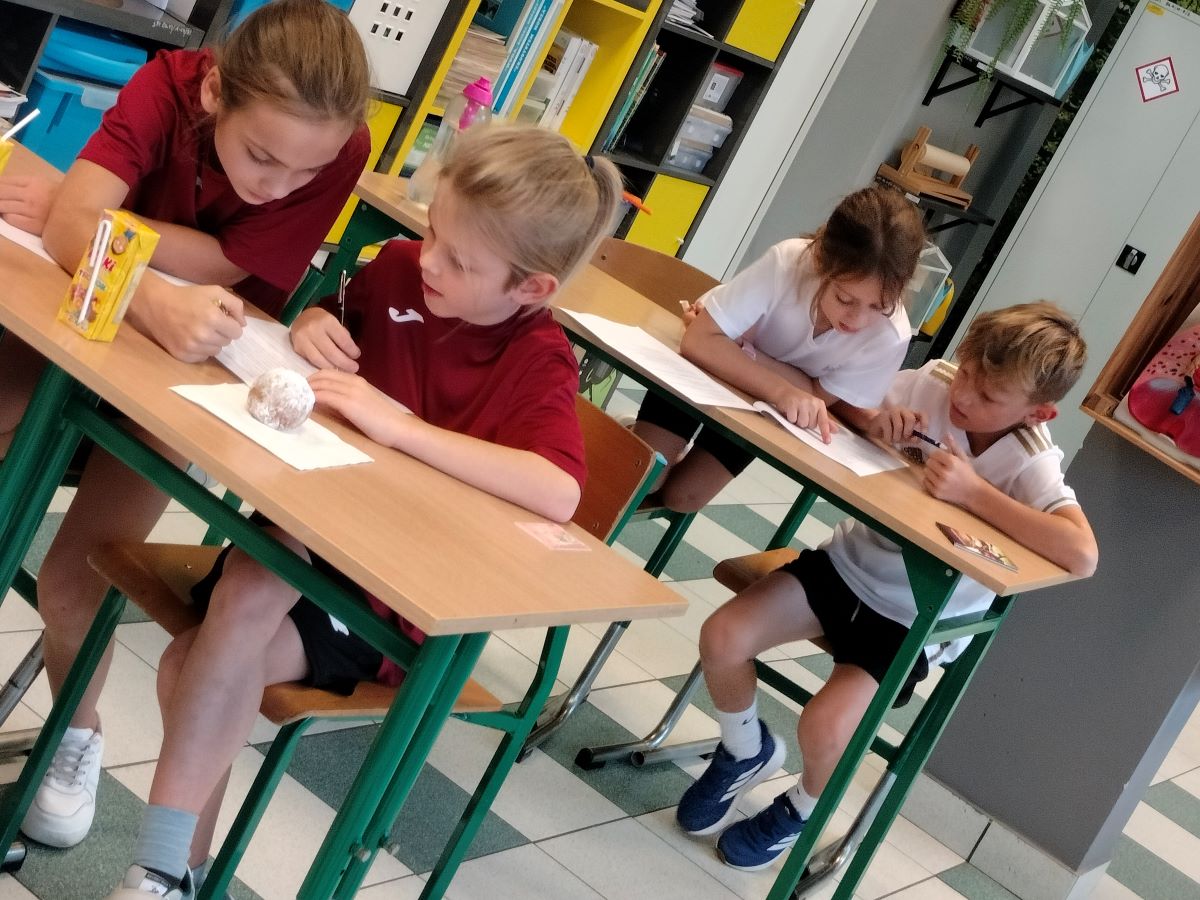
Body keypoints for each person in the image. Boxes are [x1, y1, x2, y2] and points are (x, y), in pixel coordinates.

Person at [107, 123, 621, 899]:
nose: (430, 259)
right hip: (308, 531)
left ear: (531, 289)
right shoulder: (404, 270)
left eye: (460, 260)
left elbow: (559, 490)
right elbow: (332, 314)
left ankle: (167, 871)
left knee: (193, 661)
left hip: (393, 593)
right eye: (433, 231)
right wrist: (315, 323)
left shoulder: (537, 358)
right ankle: (170, 875)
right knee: (236, 603)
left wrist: (403, 428)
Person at [3, 0, 372, 853]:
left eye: (303, 172)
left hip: (200, 370)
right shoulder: (166, 85)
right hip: (86, 309)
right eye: (260, 156)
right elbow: (69, 229)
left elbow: (230, 263)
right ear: (214, 94)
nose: (276, 186)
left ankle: (75, 734)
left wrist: (103, 223)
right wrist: (142, 285)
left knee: (73, 582)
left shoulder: (338, 144)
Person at [677, 302, 1099, 871]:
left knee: (824, 725)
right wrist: (874, 419)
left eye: (989, 396)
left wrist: (975, 494)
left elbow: (1082, 554)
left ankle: (803, 807)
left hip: (912, 618)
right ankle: (743, 752)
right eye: (968, 371)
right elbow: (842, 397)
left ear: (1037, 413)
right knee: (722, 636)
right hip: (845, 566)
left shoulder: (1031, 459)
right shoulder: (934, 381)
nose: (964, 395)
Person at [632, 185, 925, 513]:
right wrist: (783, 390)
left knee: (684, 498)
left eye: (878, 306)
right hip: (707, 368)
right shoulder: (788, 262)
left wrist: (742, 348)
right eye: (845, 299)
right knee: (644, 475)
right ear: (821, 260)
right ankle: (634, 436)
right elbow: (699, 341)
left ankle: (649, 446)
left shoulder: (890, 334)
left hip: (758, 400)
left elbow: (818, 397)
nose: (857, 319)